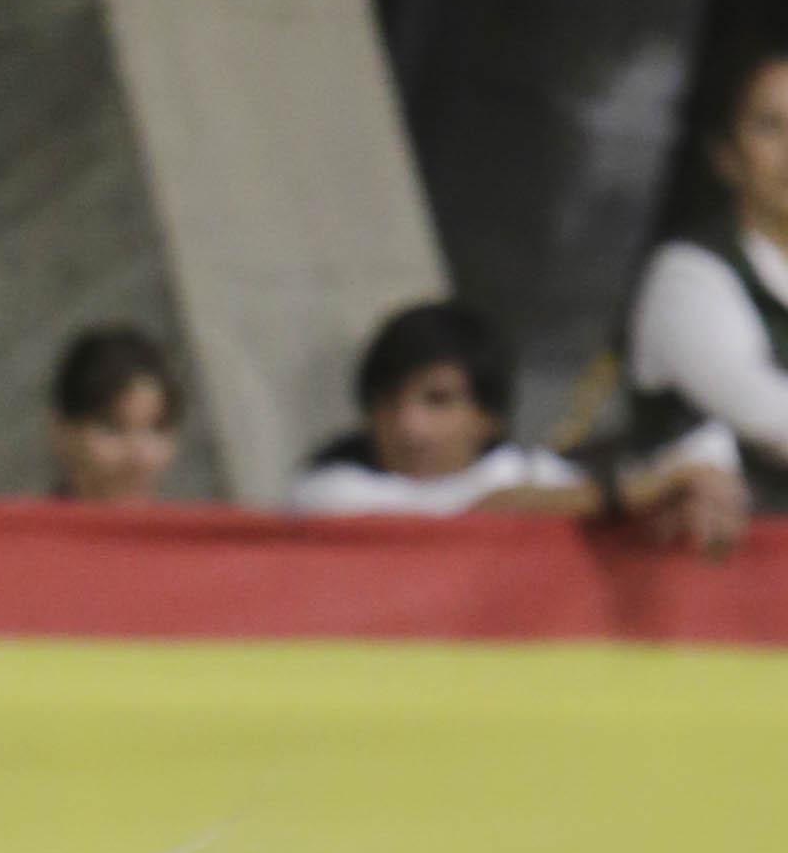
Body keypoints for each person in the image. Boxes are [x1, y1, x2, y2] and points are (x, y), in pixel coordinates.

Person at [288, 294, 739, 537]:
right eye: (389, 401)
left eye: (438, 401)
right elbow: (473, 513)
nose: (410, 425)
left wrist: (689, 495)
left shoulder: (532, 476)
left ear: (489, 418)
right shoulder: (325, 491)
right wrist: (633, 493)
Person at [624, 38, 788, 500]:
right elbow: (768, 415)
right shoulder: (688, 275)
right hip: (710, 564)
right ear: (725, 154)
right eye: (769, 126)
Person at [45, 324, 181, 501]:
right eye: (113, 428)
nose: (140, 457)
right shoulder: (26, 528)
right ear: (61, 431)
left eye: (157, 427)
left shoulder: (193, 528)